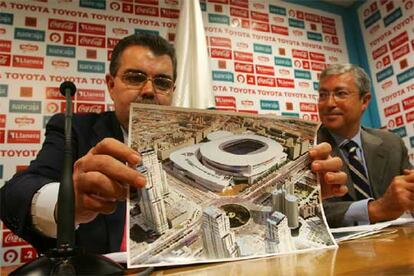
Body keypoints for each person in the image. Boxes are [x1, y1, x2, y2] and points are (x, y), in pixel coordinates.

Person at [0, 33, 347, 255]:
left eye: (162, 82)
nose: (149, 91)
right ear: (110, 84)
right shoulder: (74, 129)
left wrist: (307, 186)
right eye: (135, 77)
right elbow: (15, 194)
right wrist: (68, 200)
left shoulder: (202, 132)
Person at [317, 63, 414, 227]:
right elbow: (302, 212)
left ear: (365, 100)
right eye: (323, 95)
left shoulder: (392, 143)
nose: (329, 103)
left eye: (340, 94)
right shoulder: (307, 148)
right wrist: (375, 209)